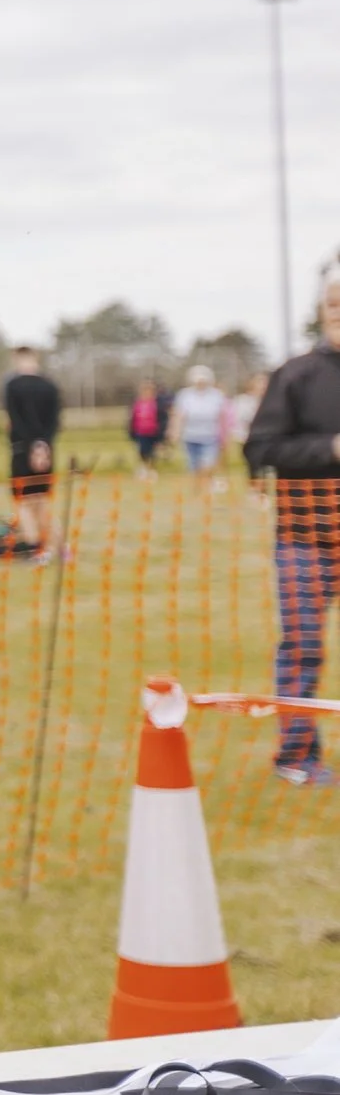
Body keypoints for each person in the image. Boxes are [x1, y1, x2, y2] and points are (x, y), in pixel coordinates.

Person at [244, 272, 340, 787]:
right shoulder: (296, 375)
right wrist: (330, 449)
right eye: (332, 302)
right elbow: (260, 448)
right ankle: (296, 757)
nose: (338, 309)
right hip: (306, 539)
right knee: (303, 649)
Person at [4, 345, 62, 555]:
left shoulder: (12, 385)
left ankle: (34, 546)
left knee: (24, 502)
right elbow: (54, 421)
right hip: (46, 451)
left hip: (21, 449)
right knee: (42, 500)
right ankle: (57, 547)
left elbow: (15, 420)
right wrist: (42, 446)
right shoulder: (50, 385)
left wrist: (31, 447)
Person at [170, 364, 228, 491]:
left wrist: (224, 435)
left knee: (207, 463)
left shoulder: (216, 395)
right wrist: (175, 432)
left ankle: (206, 484)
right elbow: (179, 415)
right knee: (194, 465)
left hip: (210, 436)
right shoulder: (184, 395)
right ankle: (198, 488)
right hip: (190, 436)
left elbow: (222, 416)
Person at [128, 379, 167, 478]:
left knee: (152, 452)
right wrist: (131, 431)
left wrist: (161, 433)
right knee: (142, 451)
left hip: (154, 432)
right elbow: (132, 418)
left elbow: (162, 418)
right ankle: (144, 469)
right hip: (140, 432)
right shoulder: (137, 403)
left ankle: (152, 470)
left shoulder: (157, 403)